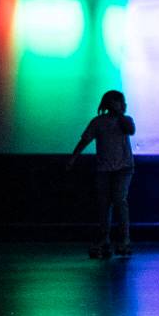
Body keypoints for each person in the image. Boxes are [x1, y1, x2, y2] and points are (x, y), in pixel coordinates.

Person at [67, 90, 136, 258]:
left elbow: (130, 130)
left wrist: (120, 114)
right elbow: (85, 140)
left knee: (119, 200)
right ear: (107, 103)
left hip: (123, 168)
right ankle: (105, 239)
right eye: (114, 102)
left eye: (119, 102)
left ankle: (124, 240)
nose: (117, 104)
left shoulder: (126, 120)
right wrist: (73, 158)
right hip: (104, 168)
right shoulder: (98, 122)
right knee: (104, 204)